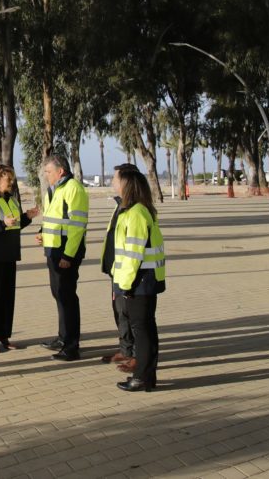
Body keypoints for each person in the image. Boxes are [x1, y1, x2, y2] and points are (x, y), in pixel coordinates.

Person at [112, 167, 166, 392]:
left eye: (116, 180)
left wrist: (124, 284)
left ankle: (142, 377)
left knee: (141, 331)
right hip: (145, 279)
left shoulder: (134, 214)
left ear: (127, 186)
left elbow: (133, 254)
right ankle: (147, 375)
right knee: (146, 329)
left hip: (138, 281)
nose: (113, 183)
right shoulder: (140, 211)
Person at [0, 164, 39, 353]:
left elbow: (15, 225)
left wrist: (26, 217)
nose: (11, 183)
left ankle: (3, 335)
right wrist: (1, 224)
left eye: (12, 179)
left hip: (9, 255)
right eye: (7, 179)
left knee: (6, 298)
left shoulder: (12, 200)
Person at [35, 153, 89, 361]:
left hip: (66, 252)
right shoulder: (53, 190)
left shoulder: (73, 189)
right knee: (59, 295)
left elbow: (77, 226)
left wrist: (68, 254)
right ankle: (62, 337)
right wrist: (42, 232)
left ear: (60, 171)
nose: (46, 175)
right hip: (53, 249)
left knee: (67, 297)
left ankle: (71, 346)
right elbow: (52, 218)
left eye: (48, 172)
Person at [100, 164, 139, 373]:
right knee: (119, 313)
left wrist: (127, 279)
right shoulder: (121, 205)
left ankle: (135, 356)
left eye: (115, 178)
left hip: (127, 274)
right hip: (117, 270)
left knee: (129, 314)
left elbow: (134, 248)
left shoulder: (134, 209)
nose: (112, 182)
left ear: (125, 181)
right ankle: (125, 349)